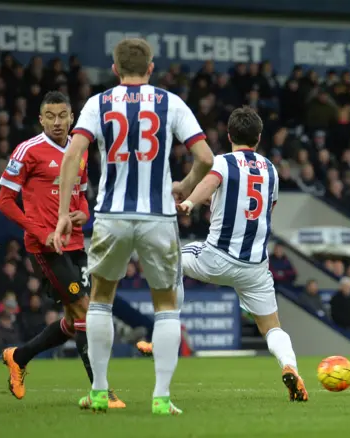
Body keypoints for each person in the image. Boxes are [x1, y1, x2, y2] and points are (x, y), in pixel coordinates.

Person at [53, 38, 214, 415]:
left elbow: (73, 154)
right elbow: (205, 157)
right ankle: (160, 397)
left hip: (111, 215)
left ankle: (98, 391)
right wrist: (184, 187)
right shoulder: (170, 102)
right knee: (166, 307)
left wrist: (63, 212)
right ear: (151, 68)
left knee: (100, 302)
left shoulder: (99, 103)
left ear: (114, 69)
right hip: (158, 216)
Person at [0, 91, 125, 408]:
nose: (57, 122)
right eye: (50, 116)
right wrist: (41, 231)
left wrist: (83, 212)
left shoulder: (79, 150)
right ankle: (100, 392)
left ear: (72, 117)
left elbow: (81, 193)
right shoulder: (28, 150)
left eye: (63, 115)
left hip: (77, 242)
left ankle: (19, 355)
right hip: (46, 247)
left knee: (76, 319)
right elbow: (4, 202)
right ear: (41, 119)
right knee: (85, 311)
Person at [176, 107, 309, 402]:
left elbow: (208, 183)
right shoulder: (272, 171)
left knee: (167, 257)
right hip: (255, 267)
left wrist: (189, 204)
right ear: (259, 138)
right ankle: (290, 367)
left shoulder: (223, 163)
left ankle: (167, 327)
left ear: (228, 135)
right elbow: (266, 211)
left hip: (216, 256)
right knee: (271, 327)